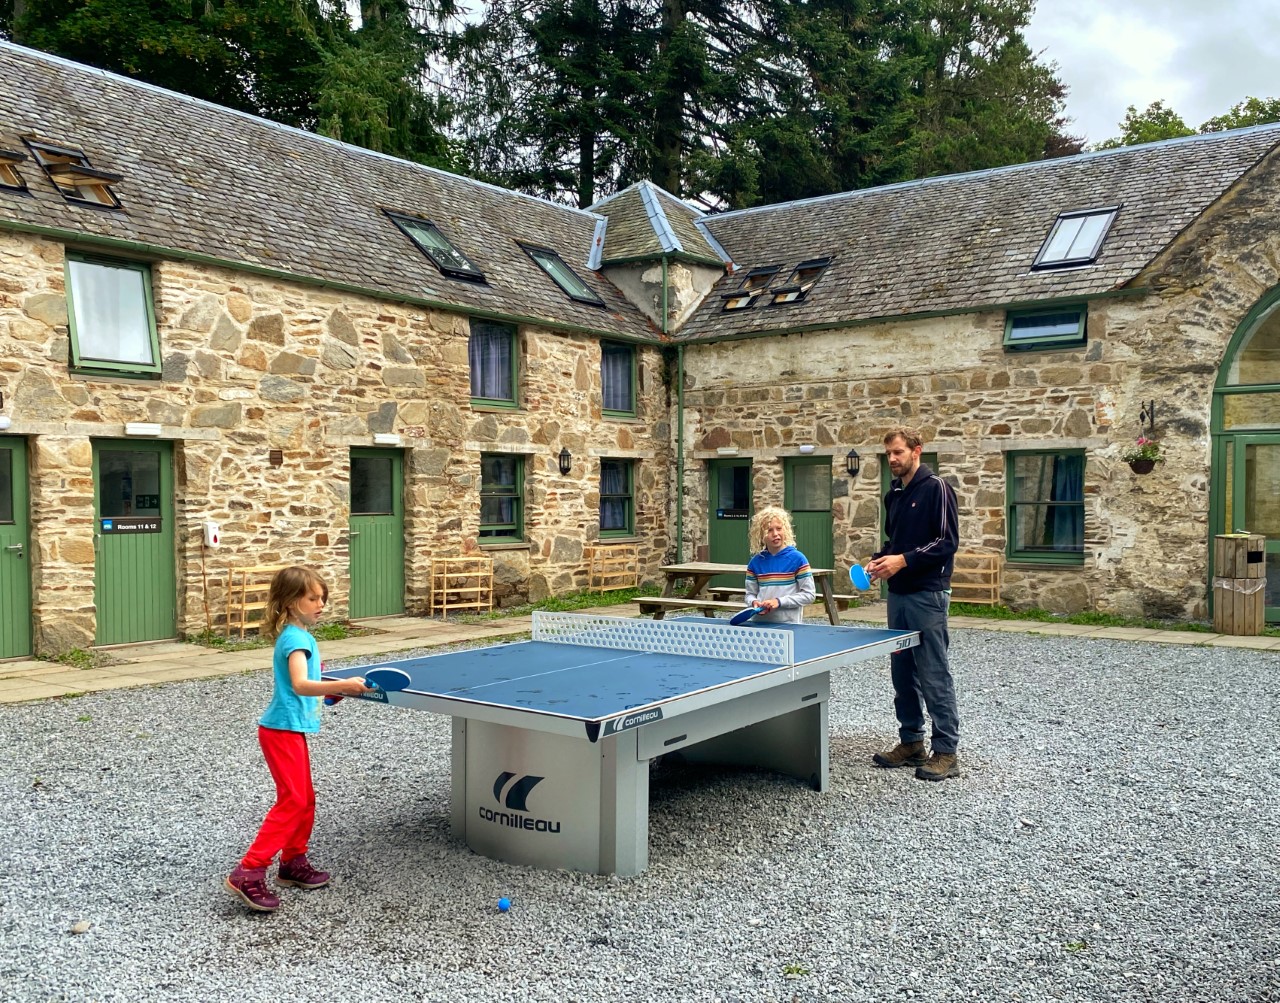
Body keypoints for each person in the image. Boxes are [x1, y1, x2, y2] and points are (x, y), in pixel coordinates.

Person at [225, 566, 369, 912]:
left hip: (290, 729)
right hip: (280, 732)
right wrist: (342, 685)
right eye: (312, 598)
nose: (320, 604)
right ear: (291, 602)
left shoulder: (299, 634)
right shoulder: (295, 639)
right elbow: (300, 684)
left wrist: (331, 695)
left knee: (304, 800)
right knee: (292, 801)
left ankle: (292, 862)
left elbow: (307, 687)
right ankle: (249, 871)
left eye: (323, 598)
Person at [866, 427, 961, 782]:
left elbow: (946, 541)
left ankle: (947, 751)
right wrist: (878, 562)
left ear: (916, 451)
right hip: (899, 594)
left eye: (898, 452)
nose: (892, 459)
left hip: (928, 593)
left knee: (933, 671)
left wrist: (902, 561)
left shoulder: (937, 488)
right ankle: (912, 742)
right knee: (902, 672)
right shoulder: (893, 495)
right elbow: (896, 543)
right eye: (888, 453)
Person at [744, 506, 815, 624]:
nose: (775, 534)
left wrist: (779, 602)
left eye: (779, 528)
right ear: (761, 534)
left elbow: (809, 595)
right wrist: (754, 603)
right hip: (759, 624)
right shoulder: (755, 563)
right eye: (769, 530)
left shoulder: (798, 559)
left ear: (785, 530)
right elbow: (750, 594)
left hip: (789, 625)